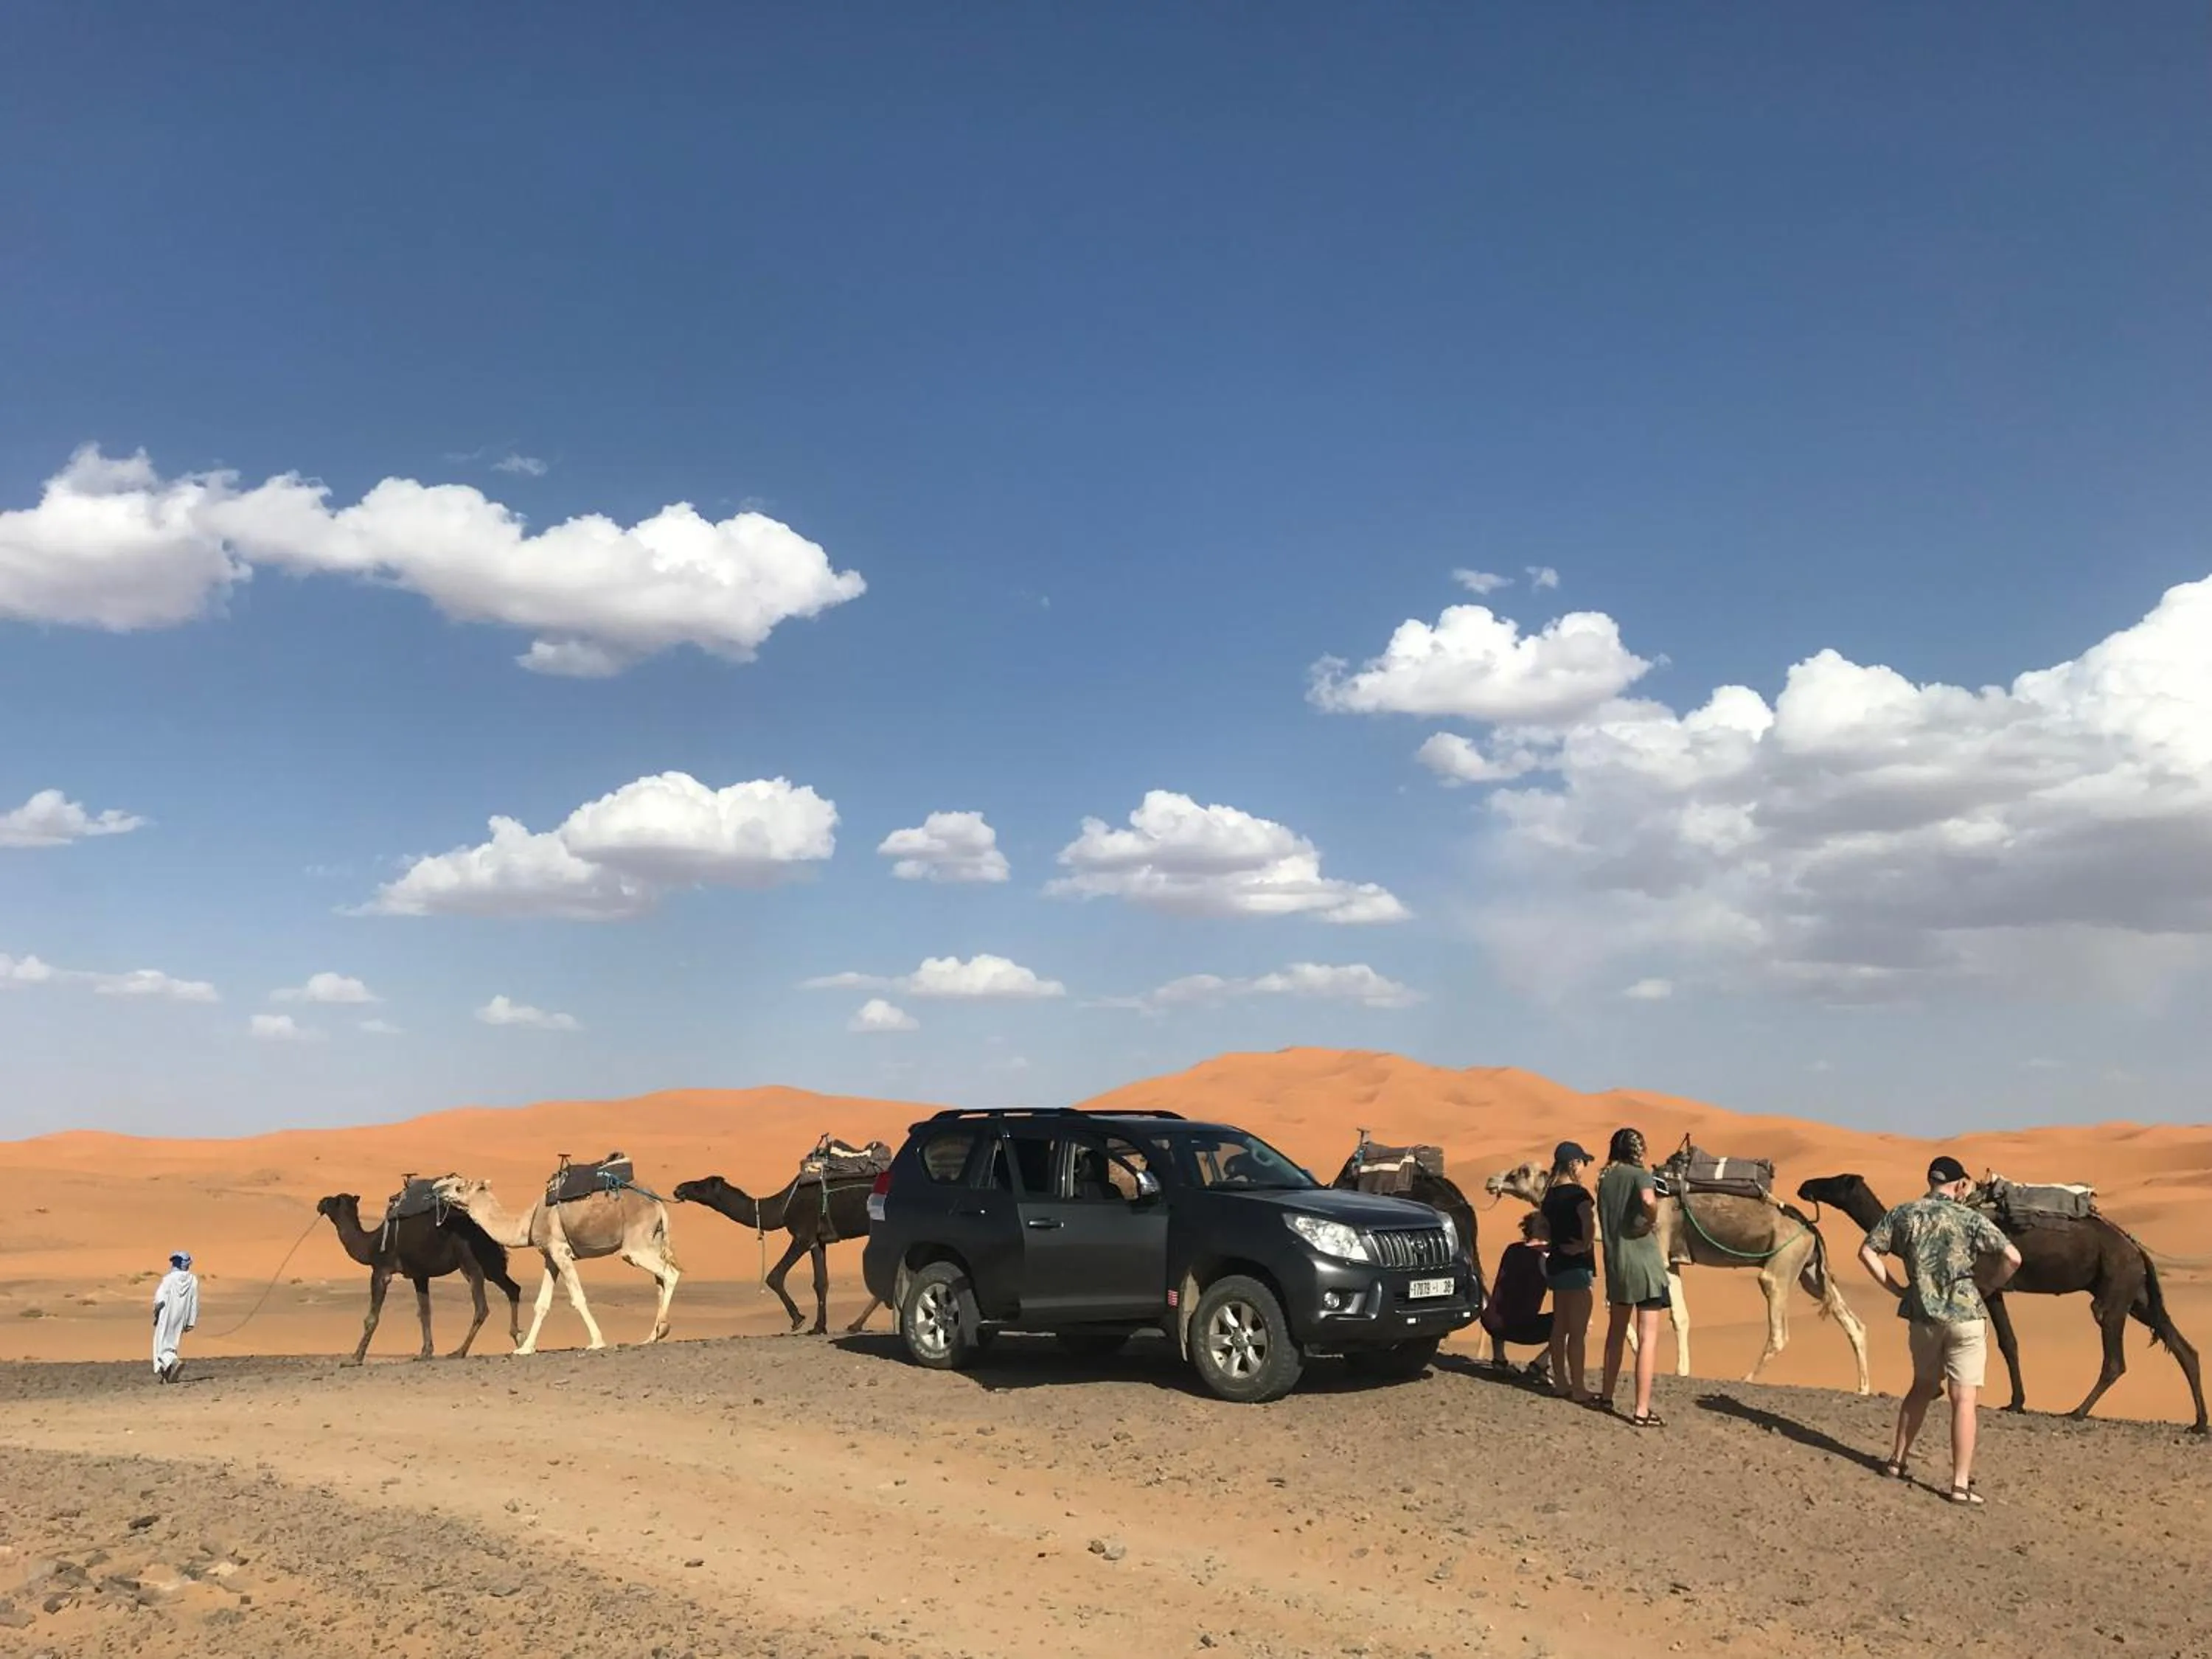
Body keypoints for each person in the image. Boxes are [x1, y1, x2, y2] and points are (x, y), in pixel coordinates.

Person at [1860, 1155, 2022, 1505]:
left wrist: (1897, 1289)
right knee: (1964, 1400)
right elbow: (2013, 1257)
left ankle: (1896, 1462)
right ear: (1961, 1184)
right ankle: (1960, 1485)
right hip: (1966, 1318)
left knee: (1921, 1387)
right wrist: (1990, 1287)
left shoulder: (1904, 1214)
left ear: (1930, 1179)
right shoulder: (1970, 1218)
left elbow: (1868, 1252)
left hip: (1924, 1318)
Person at [1596, 1127, 1673, 1426]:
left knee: (1616, 1332)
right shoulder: (1640, 1175)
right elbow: (1649, 1200)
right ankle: (1641, 1410)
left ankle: (1606, 1395)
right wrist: (1650, 1219)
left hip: (1617, 1264)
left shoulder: (1605, 1179)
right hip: (1644, 1264)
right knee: (1647, 1337)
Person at [1538, 1141, 1599, 1405]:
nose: (1584, 1168)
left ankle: (1561, 1383)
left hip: (1557, 1265)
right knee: (1577, 1331)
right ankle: (1578, 1388)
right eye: (1583, 1162)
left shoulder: (1549, 1196)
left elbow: (1544, 1230)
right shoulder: (1579, 1195)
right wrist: (1583, 1246)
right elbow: (1589, 1223)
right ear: (1574, 1163)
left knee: (1559, 1326)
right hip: (1576, 1266)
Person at [1481, 1211, 1554, 1382]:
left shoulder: (1512, 1249)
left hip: (1492, 1324)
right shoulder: (1544, 1258)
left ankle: (1499, 1359)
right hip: (1522, 1328)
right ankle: (1539, 1365)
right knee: (1577, 1322)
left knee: (1502, 1302)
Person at [152, 1250, 199, 1384]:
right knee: (172, 1342)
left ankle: (173, 1361)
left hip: (166, 1314)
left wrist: (156, 1313)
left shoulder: (169, 1280)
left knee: (161, 1344)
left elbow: (159, 1299)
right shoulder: (193, 1280)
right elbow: (194, 1302)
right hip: (181, 1316)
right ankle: (167, 1375)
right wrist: (191, 1321)